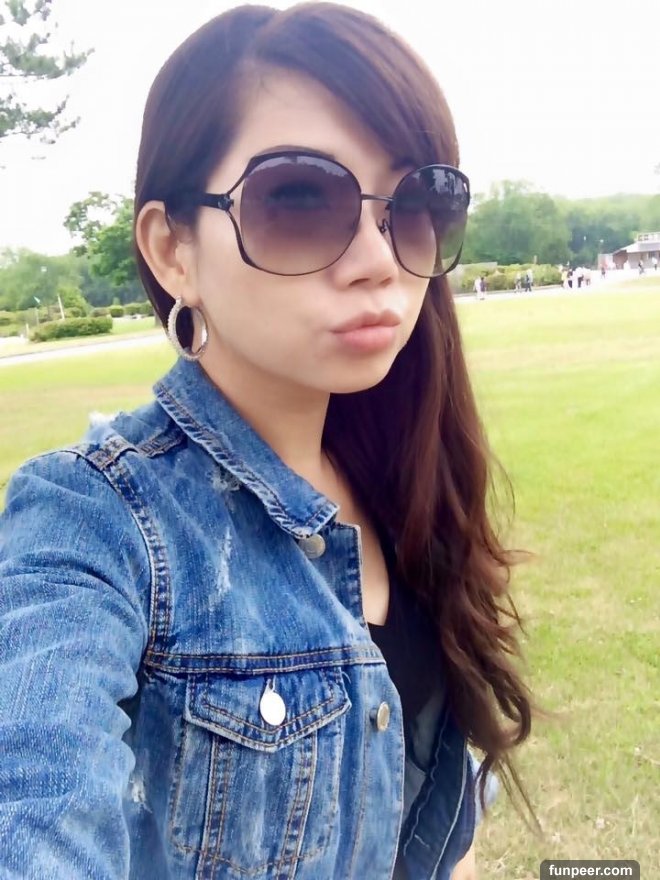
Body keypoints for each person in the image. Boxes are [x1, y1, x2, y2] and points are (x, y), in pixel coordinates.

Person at [0, 5, 534, 879]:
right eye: (298, 200)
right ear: (173, 251)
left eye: (413, 204)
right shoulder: (97, 525)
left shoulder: (405, 487)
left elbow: (435, 836)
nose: (378, 259)